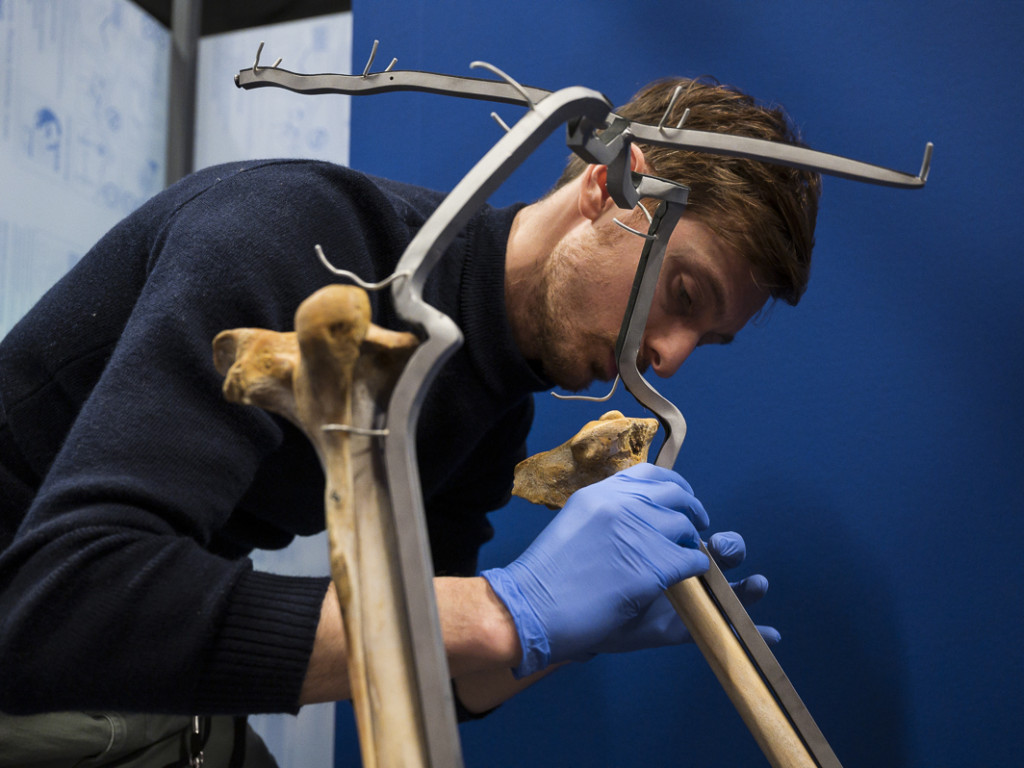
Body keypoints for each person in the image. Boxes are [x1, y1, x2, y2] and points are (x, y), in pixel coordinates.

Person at [0, 76, 819, 766]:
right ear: (609, 188)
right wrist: (508, 607)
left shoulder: (487, 394)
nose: (672, 357)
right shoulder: (293, 238)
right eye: (681, 296)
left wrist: (566, 629)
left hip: (156, 696)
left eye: (706, 340)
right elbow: (61, 608)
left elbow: (447, 679)